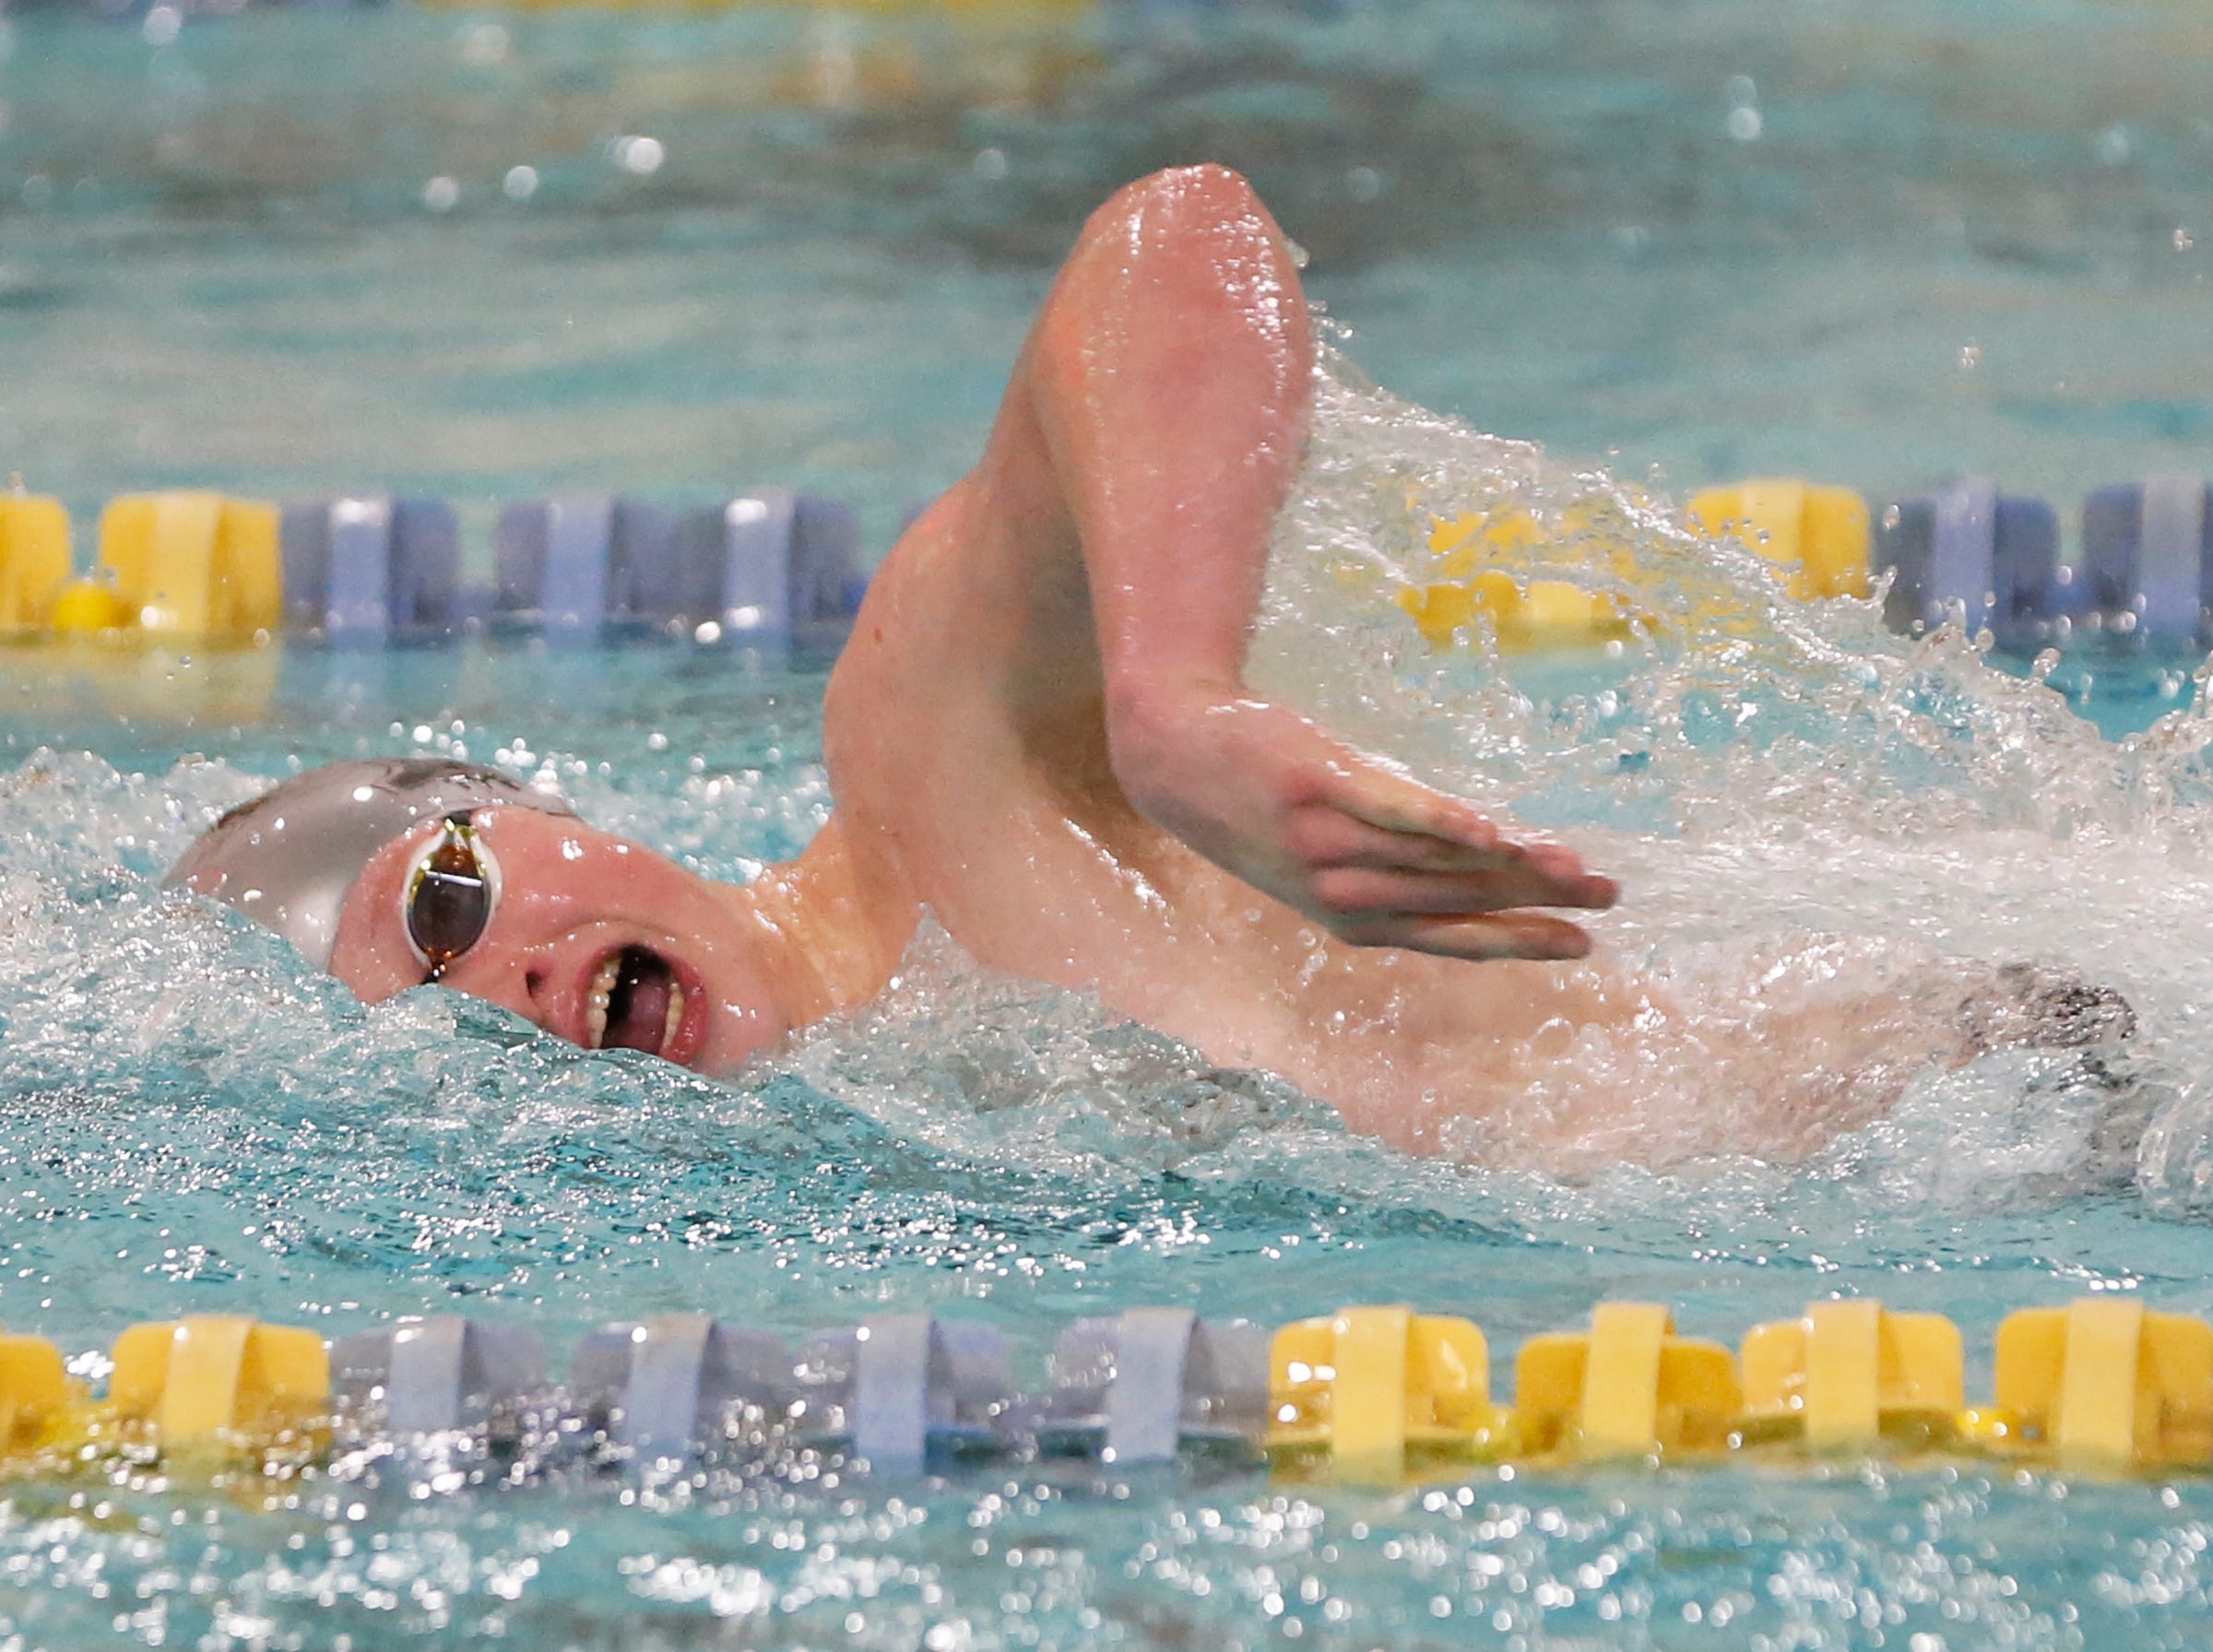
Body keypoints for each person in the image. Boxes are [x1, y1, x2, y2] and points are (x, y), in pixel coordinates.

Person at [168, 166, 2127, 1166]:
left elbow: (1176, 233)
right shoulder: (926, 1102)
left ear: (544, 813)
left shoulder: (927, 762)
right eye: (427, 1022)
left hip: (2066, 1038)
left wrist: (1169, 698)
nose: (497, 994)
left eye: (451, 901)